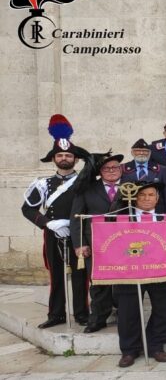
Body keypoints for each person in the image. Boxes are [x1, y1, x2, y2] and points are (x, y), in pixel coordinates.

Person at [22, 115, 90, 328]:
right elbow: (27, 208)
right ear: (54, 159)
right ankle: (56, 314)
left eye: (68, 155)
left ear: (75, 159)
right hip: (53, 233)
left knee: (81, 276)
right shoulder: (43, 184)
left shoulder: (85, 181)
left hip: (78, 234)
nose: (64, 158)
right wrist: (47, 224)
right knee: (57, 275)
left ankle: (82, 313)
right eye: (60, 155)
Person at [113, 181, 166, 367]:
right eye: (142, 195)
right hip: (130, 272)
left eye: (151, 195)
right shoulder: (122, 218)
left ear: (157, 198)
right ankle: (129, 350)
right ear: (134, 198)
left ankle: (156, 345)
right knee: (128, 311)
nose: (147, 199)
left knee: (162, 309)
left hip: (160, 270)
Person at [70, 152, 125, 333]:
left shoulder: (131, 186)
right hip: (95, 243)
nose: (111, 171)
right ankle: (98, 318)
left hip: (125, 243)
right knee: (99, 283)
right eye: (106, 168)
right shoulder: (87, 188)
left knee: (125, 282)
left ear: (121, 169)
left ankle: (126, 316)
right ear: (100, 171)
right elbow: (76, 217)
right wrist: (79, 244)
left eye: (115, 167)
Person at [121, 138, 166, 212]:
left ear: (150, 153)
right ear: (132, 152)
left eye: (145, 151)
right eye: (138, 151)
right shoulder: (122, 169)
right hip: (130, 211)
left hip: (157, 212)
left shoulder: (162, 170)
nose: (141, 153)